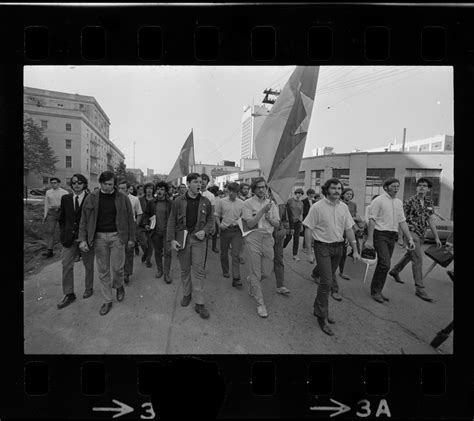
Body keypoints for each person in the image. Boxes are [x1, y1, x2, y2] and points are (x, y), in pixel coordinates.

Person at [303, 178, 360, 336]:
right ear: (326, 189)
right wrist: (309, 252)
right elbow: (308, 229)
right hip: (322, 247)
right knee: (327, 282)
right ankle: (322, 317)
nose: (337, 191)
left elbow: (349, 229)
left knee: (327, 281)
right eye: (333, 188)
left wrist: (355, 249)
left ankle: (319, 309)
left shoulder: (344, 207)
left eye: (339, 188)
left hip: (338, 248)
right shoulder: (317, 207)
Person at [78, 171, 135, 315]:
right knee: (103, 270)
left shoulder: (122, 198)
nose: (110, 187)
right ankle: (107, 300)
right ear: (101, 183)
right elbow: (84, 220)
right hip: (99, 238)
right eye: (107, 184)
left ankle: (119, 285)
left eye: (112, 184)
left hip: (117, 236)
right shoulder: (91, 198)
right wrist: (83, 239)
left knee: (117, 268)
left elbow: (130, 219)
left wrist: (131, 238)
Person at [167, 173, 214, 319]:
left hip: (199, 240)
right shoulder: (178, 201)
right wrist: (172, 240)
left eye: (200, 182)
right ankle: (187, 294)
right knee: (185, 269)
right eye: (195, 182)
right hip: (183, 239)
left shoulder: (206, 201)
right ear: (188, 184)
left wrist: (205, 231)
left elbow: (211, 219)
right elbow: (172, 221)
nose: (199, 184)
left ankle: (199, 303)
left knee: (199, 271)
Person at [388, 177, 442, 302]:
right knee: (417, 259)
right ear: (417, 188)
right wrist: (401, 237)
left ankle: (395, 271)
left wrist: (437, 237)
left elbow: (430, 220)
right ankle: (420, 288)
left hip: (422, 234)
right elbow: (402, 219)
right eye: (419, 185)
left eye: (424, 185)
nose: (421, 187)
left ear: (428, 189)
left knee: (410, 255)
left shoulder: (429, 202)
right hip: (411, 233)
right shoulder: (409, 201)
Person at [364, 178, 415, 304]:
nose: (396, 188)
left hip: (392, 235)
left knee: (384, 263)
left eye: (398, 186)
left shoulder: (398, 202)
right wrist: (370, 239)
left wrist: (409, 238)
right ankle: (375, 291)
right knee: (385, 263)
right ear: (386, 187)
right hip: (380, 234)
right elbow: (371, 220)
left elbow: (402, 221)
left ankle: (378, 290)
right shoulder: (378, 200)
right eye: (393, 186)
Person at [242, 177, 280, 318]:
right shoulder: (247, 204)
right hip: (253, 238)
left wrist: (269, 217)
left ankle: (251, 280)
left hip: (268, 239)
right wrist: (262, 211)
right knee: (256, 273)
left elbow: (277, 224)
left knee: (266, 272)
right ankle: (260, 304)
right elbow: (250, 223)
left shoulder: (272, 204)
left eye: (263, 187)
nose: (261, 189)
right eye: (258, 187)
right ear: (254, 189)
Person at [56, 174, 95, 309]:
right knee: (66, 265)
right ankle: (69, 294)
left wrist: (89, 236)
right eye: (73, 183)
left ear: (84, 184)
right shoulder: (65, 198)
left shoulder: (91, 198)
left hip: (85, 239)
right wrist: (63, 233)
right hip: (69, 239)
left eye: (79, 182)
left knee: (88, 265)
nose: (76, 185)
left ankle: (88, 288)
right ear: (71, 185)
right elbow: (62, 218)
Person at [143, 181, 173, 283]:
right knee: (157, 252)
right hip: (155, 232)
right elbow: (146, 215)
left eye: (162, 189)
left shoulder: (170, 203)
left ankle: (166, 273)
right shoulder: (151, 203)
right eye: (158, 189)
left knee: (168, 252)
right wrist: (146, 224)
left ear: (165, 191)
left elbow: (174, 218)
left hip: (167, 233)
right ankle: (160, 270)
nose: (160, 191)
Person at [215, 182, 244, 287]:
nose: (231, 193)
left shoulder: (242, 203)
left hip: (237, 231)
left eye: (234, 192)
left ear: (237, 192)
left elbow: (243, 217)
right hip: (225, 230)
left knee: (235, 254)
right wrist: (219, 225)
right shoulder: (222, 202)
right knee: (224, 253)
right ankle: (225, 269)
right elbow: (216, 215)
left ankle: (236, 278)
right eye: (229, 191)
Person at [117, 180, 143, 284]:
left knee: (129, 251)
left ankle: (127, 273)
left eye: (123, 188)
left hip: (130, 226)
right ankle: (119, 271)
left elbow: (139, 213)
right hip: (118, 227)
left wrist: (135, 226)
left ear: (128, 189)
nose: (121, 190)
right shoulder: (115, 199)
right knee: (118, 251)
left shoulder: (134, 199)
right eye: (119, 188)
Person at [338, 188, 363, 280]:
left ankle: (350, 267)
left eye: (351, 194)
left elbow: (355, 215)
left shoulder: (353, 205)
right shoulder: (340, 204)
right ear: (343, 194)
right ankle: (342, 271)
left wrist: (356, 219)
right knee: (342, 252)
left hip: (352, 229)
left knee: (357, 249)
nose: (349, 195)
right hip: (342, 230)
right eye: (347, 194)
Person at [270, 188, 291, 295]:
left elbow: (285, 219)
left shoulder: (282, 205)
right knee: (262, 261)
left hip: (278, 236)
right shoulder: (263, 203)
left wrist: (286, 230)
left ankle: (280, 285)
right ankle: (254, 282)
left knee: (278, 259)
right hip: (264, 236)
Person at [42, 177, 68, 258]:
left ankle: (64, 249)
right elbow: (46, 204)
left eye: (55, 183)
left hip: (61, 212)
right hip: (52, 212)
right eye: (52, 183)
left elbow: (67, 205)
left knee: (63, 230)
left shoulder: (64, 192)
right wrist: (45, 215)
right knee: (50, 232)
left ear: (58, 183)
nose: (53, 184)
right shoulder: (48, 192)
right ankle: (50, 251)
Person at [284, 188, 304, 261]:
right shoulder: (289, 201)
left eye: (301, 194)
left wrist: (301, 223)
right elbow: (286, 212)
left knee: (296, 239)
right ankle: (281, 247)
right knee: (288, 237)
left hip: (297, 223)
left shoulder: (301, 203)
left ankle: (295, 255)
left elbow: (301, 214)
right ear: (295, 193)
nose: (299, 195)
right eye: (298, 193)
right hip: (290, 223)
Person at [138, 182, 155, 267]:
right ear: (145, 189)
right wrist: (143, 223)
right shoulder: (140, 200)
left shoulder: (155, 200)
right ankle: (146, 254)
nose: (149, 190)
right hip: (141, 225)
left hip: (152, 225)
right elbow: (138, 213)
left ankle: (148, 260)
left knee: (150, 244)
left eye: (151, 188)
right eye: (148, 188)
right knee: (143, 243)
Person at [200, 174, 218, 253]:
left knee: (203, 247)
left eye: (205, 179)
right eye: (201, 179)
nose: (203, 181)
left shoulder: (211, 196)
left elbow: (212, 212)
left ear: (207, 182)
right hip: (194, 223)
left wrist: (213, 225)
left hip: (205, 223)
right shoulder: (193, 193)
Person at [302, 188, 317, 252]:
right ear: (308, 194)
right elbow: (303, 211)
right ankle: (304, 247)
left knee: (313, 233)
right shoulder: (303, 201)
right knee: (307, 233)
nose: (313, 195)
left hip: (313, 219)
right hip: (306, 218)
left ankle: (311, 246)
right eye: (312, 194)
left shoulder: (314, 202)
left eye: (314, 194)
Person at [208, 185, 221, 254]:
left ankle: (214, 246)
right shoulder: (210, 197)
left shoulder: (218, 198)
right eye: (217, 190)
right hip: (210, 216)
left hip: (216, 216)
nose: (218, 192)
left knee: (215, 232)